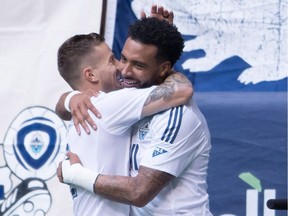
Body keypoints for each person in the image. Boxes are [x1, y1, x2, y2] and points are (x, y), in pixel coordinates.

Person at [58, 13, 213, 215]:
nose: (124, 70)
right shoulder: (111, 104)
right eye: (121, 59)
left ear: (164, 67)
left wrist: (76, 175)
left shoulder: (178, 115)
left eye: (138, 64)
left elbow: (139, 192)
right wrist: (69, 99)